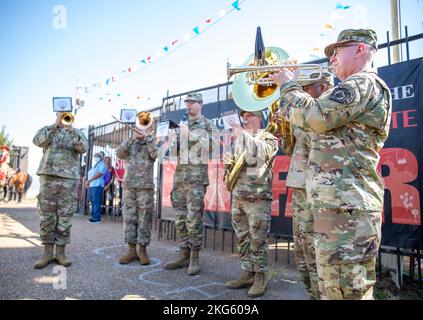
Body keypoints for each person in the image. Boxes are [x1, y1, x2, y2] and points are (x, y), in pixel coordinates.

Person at [269, 29, 392, 300]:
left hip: (347, 210)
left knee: (345, 293)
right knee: (331, 290)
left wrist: (288, 85)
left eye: (337, 51)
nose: (332, 59)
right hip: (337, 207)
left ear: (360, 49)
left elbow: (314, 115)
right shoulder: (354, 88)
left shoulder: (362, 84)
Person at [278, 72, 334, 300]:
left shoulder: (327, 106)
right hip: (302, 185)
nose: (301, 93)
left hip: (321, 188)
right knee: (301, 249)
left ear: (321, 87)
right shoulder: (306, 113)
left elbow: (317, 136)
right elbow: (295, 149)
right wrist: (285, 135)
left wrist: (294, 118)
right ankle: (312, 294)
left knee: (317, 250)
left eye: (306, 88)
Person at [223, 110, 278, 298]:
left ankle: (260, 277)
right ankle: (248, 272)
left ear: (259, 117)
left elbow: (261, 154)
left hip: (257, 198)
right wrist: (227, 163)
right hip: (238, 196)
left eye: (249, 116)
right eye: (243, 116)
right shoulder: (240, 139)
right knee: (243, 238)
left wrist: (243, 134)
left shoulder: (268, 137)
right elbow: (235, 163)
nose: (245, 119)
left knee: (258, 239)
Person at [164, 92, 218, 275]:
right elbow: (171, 155)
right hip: (180, 180)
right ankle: (183, 255)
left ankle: (194, 258)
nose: (188, 106)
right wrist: (173, 141)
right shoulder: (183, 125)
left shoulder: (208, 124)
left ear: (200, 104)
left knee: (193, 221)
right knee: (180, 220)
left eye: (192, 102)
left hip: (196, 181)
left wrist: (191, 135)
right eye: (187, 103)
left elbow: (214, 146)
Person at [32, 112, 88, 268]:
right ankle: (47, 253)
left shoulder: (77, 133)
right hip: (48, 176)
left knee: (65, 215)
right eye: (61, 115)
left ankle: (61, 253)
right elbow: (38, 141)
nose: (64, 117)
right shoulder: (49, 129)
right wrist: (55, 124)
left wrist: (71, 130)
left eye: (66, 115)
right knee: (47, 215)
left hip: (68, 179)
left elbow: (83, 148)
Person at [116, 127, 158, 265]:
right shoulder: (129, 143)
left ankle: (143, 250)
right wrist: (131, 138)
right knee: (129, 218)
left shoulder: (151, 142)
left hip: (145, 187)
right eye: (138, 128)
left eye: (143, 128)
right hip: (129, 187)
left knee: (144, 218)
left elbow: (156, 155)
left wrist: (148, 137)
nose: (140, 131)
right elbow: (120, 154)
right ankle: (131, 250)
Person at [85, 152, 107, 224]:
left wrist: (89, 180)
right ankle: (93, 217)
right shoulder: (95, 165)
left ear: (100, 157)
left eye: (97, 156)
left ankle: (96, 218)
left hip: (97, 185)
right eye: (95, 156)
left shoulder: (102, 165)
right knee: (93, 201)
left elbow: (99, 174)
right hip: (92, 185)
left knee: (96, 201)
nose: (95, 157)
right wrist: (89, 182)